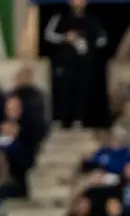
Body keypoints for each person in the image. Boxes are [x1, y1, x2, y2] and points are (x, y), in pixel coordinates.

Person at [42, 0, 109, 128]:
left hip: (84, 63)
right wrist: (65, 37)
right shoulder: (60, 17)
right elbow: (49, 35)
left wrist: (88, 41)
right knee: (62, 90)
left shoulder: (93, 19)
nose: (78, 3)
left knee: (81, 90)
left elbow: (103, 39)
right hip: (64, 63)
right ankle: (60, 119)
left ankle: (78, 120)